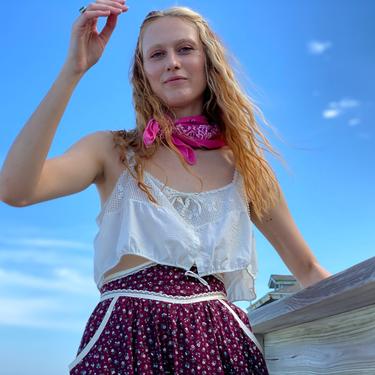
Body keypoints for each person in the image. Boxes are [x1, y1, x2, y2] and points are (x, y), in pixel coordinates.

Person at [0, 1, 332, 374]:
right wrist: (73, 71)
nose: (171, 61)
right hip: (126, 342)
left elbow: (306, 267)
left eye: (185, 49)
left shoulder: (246, 168)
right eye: (156, 54)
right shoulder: (114, 151)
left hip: (222, 348)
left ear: (208, 60)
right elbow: (16, 188)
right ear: (143, 72)